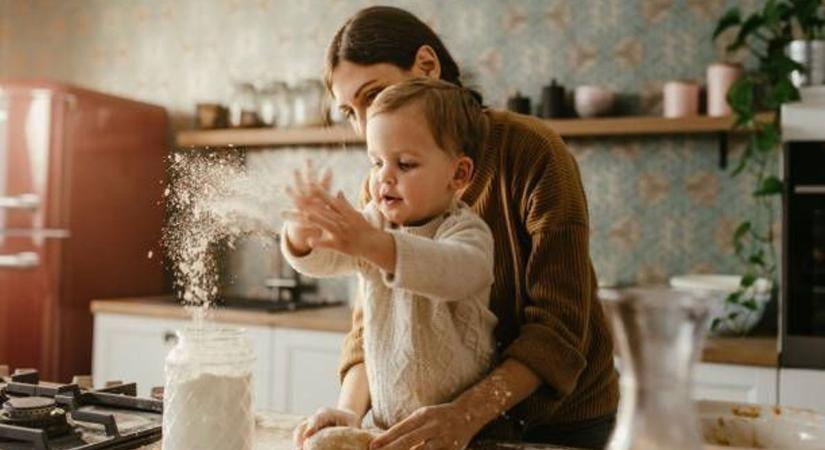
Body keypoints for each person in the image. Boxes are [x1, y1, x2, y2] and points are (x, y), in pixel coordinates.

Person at [295, 5, 620, 450]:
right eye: (350, 111)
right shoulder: (383, 186)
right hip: (444, 426)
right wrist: (349, 410)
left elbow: (559, 326)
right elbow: (372, 322)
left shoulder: (532, 152)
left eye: (373, 95)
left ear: (427, 66)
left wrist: (467, 414)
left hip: (562, 424)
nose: (366, 124)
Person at [282, 78, 499, 437]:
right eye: (376, 162)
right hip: (386, 429)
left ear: (458, 174)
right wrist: (301, 235)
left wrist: (373, 244)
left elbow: (453, 271)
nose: (384, 176)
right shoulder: (375, 225)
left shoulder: (467, 232)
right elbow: (324, 260)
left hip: (460, 434)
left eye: (405, 164)